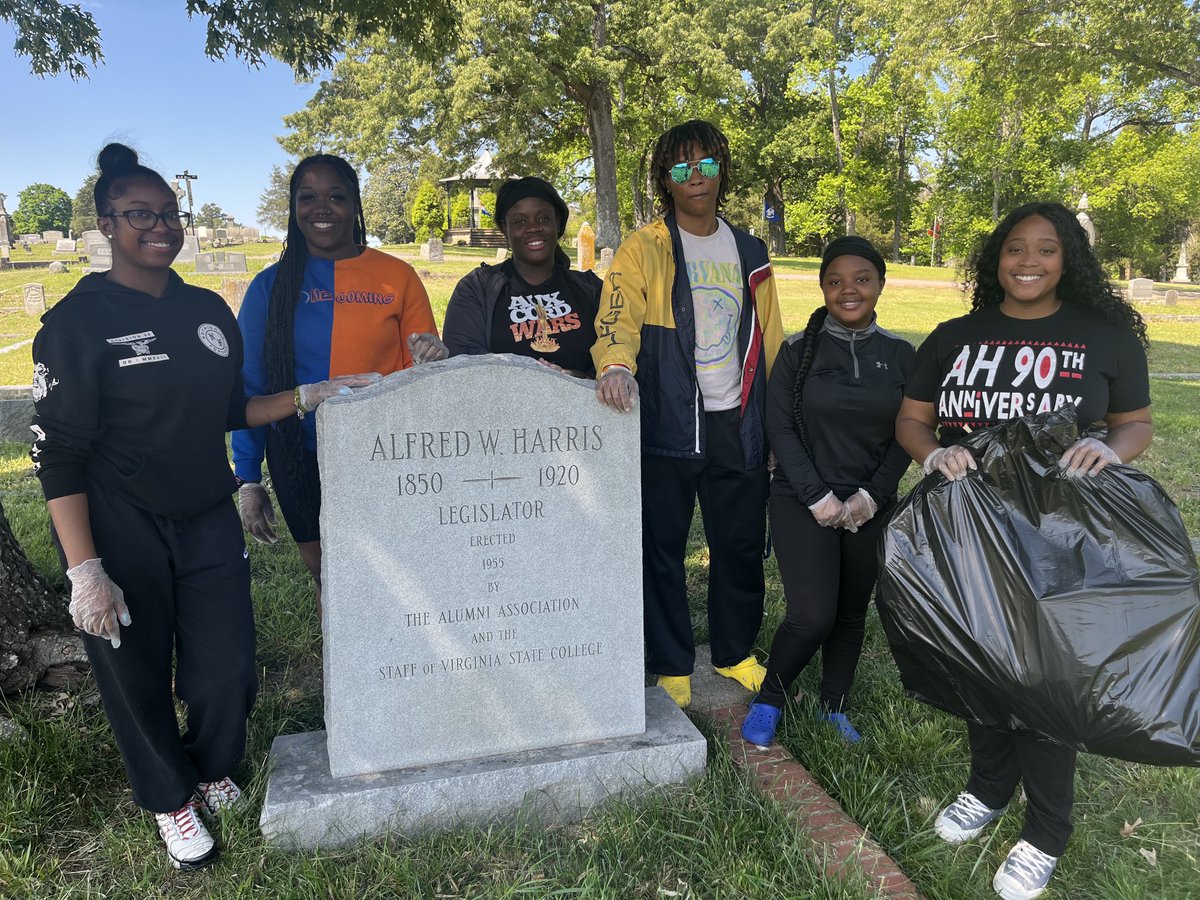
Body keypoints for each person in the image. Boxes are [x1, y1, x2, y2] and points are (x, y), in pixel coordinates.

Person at [30, 143, 377, 869]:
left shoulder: (204, 310)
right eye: (138, 215)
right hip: (118, 520)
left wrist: (307, 396)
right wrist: (84, 569)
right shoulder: (75, 323)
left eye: (168, 214)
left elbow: (228, 408)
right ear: (106, 224)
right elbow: (57, 454)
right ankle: (170, 799)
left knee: (227, 664)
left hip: (205, 512)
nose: (159, 227)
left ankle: (214, 765)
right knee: (135, 670)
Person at [895, 201, 1152, 900]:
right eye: (1015, 248)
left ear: (1067, 259)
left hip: (1058, 534)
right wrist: (933, 454)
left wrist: (1110, 449)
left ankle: (1045, 831)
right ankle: (988, 787)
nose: (1028, 261)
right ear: (996, 258)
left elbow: (1134, 423)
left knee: (1045, 680)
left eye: (1045, 248)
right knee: (978, 660)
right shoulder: (955, 337)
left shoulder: (1103, 339)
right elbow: (913, 420)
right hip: (968, 529)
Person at [592, 120, 783, 708]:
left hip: (738, 420)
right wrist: (616, 365)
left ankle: (734, 651)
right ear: (665, 180)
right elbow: (618, 315)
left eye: (706, 164)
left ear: (722, 171)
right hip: (669, 420)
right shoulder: (645, 246)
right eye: (681, 167)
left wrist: (777, 421)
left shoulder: (750, 250)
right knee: (662, 548)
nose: (695, 176)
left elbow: (771, 337)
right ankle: (672, 663)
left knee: (740, 545)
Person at [233, 154, 446, 606]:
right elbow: (250, 386)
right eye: (307, 197)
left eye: (336, 196)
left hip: (383, 453)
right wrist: (248, 478)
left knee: (396, 576)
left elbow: (423, 372)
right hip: (298, 453)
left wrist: (432, 357)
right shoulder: (269, 286)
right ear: (294, 207)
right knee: (329, 578)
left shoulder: (397, 277)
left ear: (354, 204)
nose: (322, 208)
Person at [740, 237, 913, 748]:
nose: (848, 290)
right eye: (835, 281)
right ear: (822, 289)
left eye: (862, 279)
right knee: (812, 614)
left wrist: (872, 497)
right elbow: (780, 428)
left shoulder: (902, 355)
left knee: (851, 612)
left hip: (870, 503)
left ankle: (833, 704)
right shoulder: (797, 351)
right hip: (801, 498)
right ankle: (770, 698)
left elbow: (909, 431)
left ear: (880, 285)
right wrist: (819, 498)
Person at [443, 176, 601, 376]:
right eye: (520, 221)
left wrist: (575, 379)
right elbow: (464, 361)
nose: (533, 227)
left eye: (543, 218)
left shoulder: (591, 289)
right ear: (504, 229)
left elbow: (618, 354)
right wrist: (535, 381)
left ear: (558, 222)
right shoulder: (477, 289)